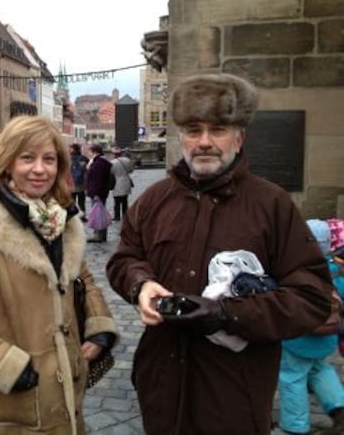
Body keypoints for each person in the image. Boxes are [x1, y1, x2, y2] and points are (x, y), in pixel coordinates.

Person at [106, 73, 333, 435]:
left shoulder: (272, 205)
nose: (205, 142)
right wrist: (141, 284)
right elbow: (123, 260)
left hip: (232, 397)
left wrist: (226, 314)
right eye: (194, 130)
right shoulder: (154, 200)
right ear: (181, 137)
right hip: (161, 390)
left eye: (218, 129)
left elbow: (312, 299)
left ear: (239, 137)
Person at [0, 115, 119, 435]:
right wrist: (11, 368)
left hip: (64, 396)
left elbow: (83, 281)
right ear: (8, 163)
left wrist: (98, 328)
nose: (40, 169)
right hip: (11, 407)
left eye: (49, 159)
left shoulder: (62, 222)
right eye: (27, 158)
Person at [278, 219, 344, 435]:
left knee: (292, 376)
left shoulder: (296, 269)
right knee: (320, 369)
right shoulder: (335, 269)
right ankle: (339, 407)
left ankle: (294, 427)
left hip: (299, 337)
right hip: (327, 337)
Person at [85, 144, 112, 243]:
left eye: (90, 151)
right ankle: (101, 235)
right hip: (101, 192)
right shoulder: (101, 162)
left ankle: (98, 235)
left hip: (98, 193)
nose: (89, 153)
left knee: (97, 213)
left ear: (94, 151)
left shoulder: (98, 163)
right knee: (100, 212)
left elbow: (97, 180)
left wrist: (95, 193)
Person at [110, 147, 134, 221]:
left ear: (114, 154)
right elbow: (131, 170)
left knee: (117, 201)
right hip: (126, 181)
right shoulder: (127, 160)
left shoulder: (112, 162)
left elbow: (111, 172)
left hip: (116, 182)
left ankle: (117, 216)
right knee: (125, 200)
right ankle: (125, 215)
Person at [69, 143, 89, 222]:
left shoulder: (68, 158)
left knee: (72, 202)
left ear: (74, 149)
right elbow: (87, 168)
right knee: (81, 202)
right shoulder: (83, 158)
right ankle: (82, 216)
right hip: (80, 183)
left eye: (70, 148)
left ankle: (73, 217)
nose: (69, 150)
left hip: (71, 183)